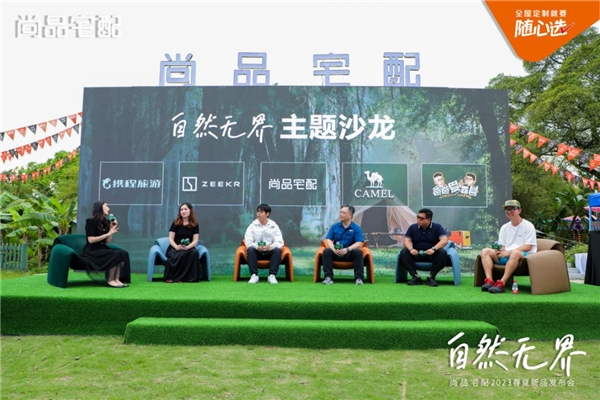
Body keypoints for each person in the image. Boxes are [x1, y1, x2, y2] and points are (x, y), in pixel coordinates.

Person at [479, 200, 537, 294]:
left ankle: (502, 283)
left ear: (519, 210)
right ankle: (489, 280)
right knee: (485, 251)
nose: (509, 212)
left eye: (512, 209)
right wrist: (499, 250)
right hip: (506, 255)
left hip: (523, 258)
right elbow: (502, 245)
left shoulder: (528, 226)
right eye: (507, 209)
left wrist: (509, 252)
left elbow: (528, 246)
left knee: (515, 253)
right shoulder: (504, 227)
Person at [81, 201, 130, 288]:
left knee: (122, 253)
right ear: (100, 208)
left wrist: (111, 230)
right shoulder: (91, 222)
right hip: (92, 251)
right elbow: (90, 240)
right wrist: (108, 233)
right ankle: (110, 280)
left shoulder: (106, 222)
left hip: (102, 249)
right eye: (106, 206)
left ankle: (116, 279)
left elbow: (107, 241)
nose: (109, 208)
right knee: (115, 254)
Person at [399, 208, 448, 287]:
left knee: (442, 252)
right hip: (416, 254)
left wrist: (433, 249)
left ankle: (431, 277)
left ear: (428, 219)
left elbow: (444, 240)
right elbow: (406, 240)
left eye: (421, 218)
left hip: (432, 254)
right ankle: (415, 277)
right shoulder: (413, 227)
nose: (418, 220)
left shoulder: (437, 227)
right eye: (417, 217)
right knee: (404, 252)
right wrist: (411, 249)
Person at [321, 205, 365, 285]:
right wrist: (333, 249)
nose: (341, 214)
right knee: (327, 251)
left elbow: (359, 243)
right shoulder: (335, 226)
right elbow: (328, 239)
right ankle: (328, 277)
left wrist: (347, 249)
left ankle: (358, 278)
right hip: (336, 252)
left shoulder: (356, 228)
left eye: (344, 213)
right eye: (340, 212)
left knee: (358, 252)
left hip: (349, 253)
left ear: (350, 215)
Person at [244, 204, 284, 284]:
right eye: (258, 212)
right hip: (257, 251)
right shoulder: (252, 226)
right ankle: (254, 275)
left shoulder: (274, 226)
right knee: (250, 250)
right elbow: (248, 241)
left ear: (267, 214)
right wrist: (256, 247)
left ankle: (272, 276)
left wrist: (271, 247)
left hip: (269, 251)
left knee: (277, 250)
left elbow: (279, 241)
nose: (258, 214)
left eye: (261, 212)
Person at [164, 202, 202, 283]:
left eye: (185, 209)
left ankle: (186, 278)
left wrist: (187, 247)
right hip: (175, 248)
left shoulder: (195, 224)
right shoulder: (175, 223)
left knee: (194, 253)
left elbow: (195, 240)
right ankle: (174, 277)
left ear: (190, 211)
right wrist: (177, 247)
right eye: (181, 210)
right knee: (179, 254)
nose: (183, 211)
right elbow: (170, 238)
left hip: (188, 247)